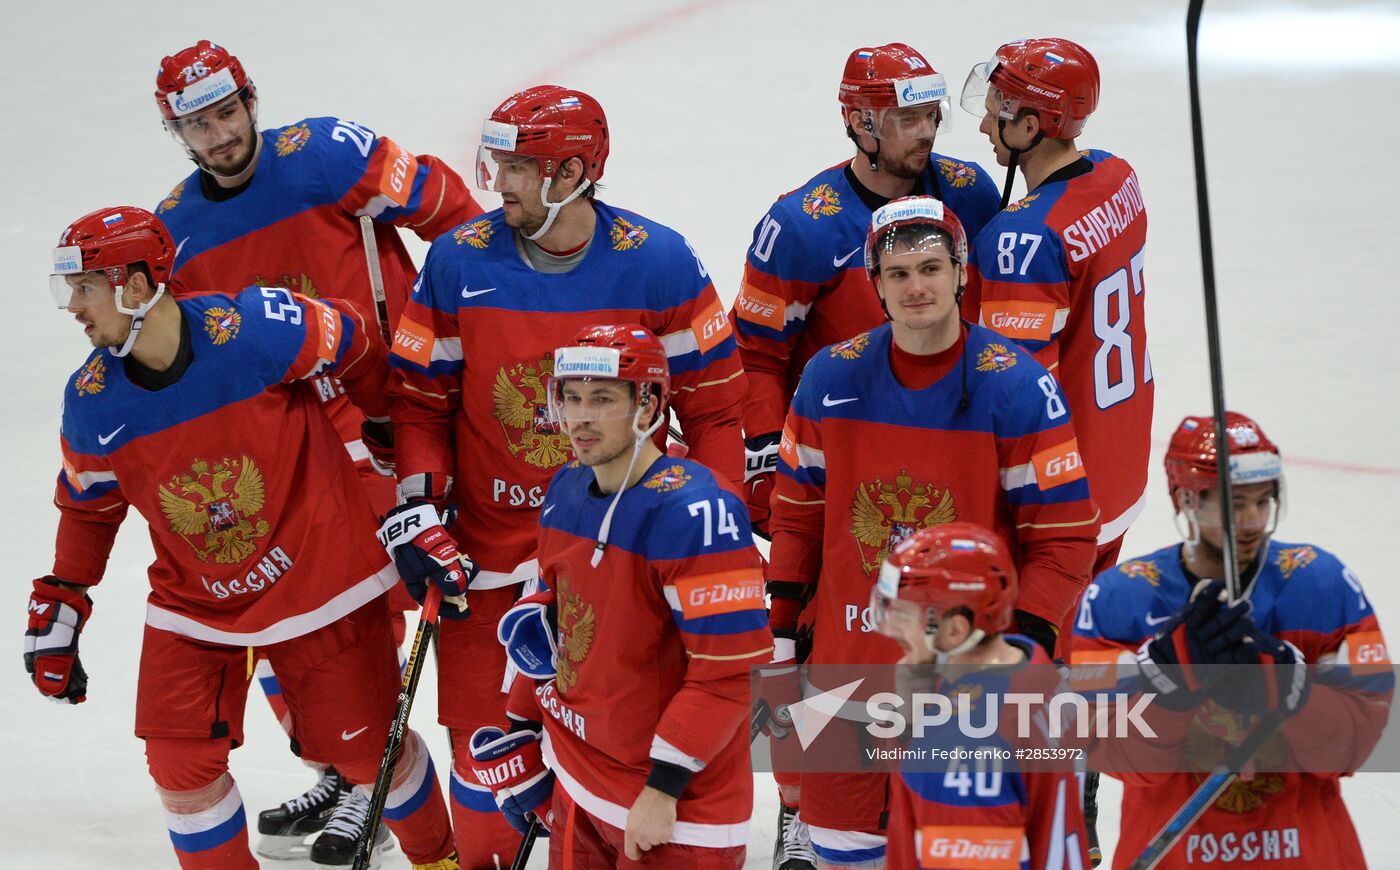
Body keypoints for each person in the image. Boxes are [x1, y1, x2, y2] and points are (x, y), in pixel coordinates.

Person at [26, 206, 457, 869]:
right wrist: (64, 594)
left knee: (368, 751)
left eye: (84, 287)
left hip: (320, 576)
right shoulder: (92, 398)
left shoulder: (259, 327)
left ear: (137, 286)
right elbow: (90, 504)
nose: (73, 308)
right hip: (194, 602)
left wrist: (387, 434)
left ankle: (439, 860)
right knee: (179, 765)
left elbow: (360, 343)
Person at [384, 85, 747, 866]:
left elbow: (716, 413)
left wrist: (726, 528)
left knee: (620, 765)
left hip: (621, 550)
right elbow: (419, 403)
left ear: (576, 171)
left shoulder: (659, 261)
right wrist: (418, 505)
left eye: (519, 166)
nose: (498, 182)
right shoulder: (457, 261)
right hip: (483, 554)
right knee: (489, 778)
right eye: (501, 163)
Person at [150, 39, 483, 860]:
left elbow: (464, 225)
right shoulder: (175, 235)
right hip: (298, 446)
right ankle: (351, 766)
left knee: (420, 598)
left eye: (228, 112)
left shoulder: (329, 154)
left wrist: (465, 338)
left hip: (403, 409)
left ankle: (389, 762)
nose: (220, 134)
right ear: (175, 131)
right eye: (198, 124)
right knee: (288, 606)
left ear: (251, 100)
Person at [763, 195, 1099, 868]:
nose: (916, 286)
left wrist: (1016, 653)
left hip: (965, 699)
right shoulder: (828, 379)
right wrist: (779, 643)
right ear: (875, 283)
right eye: (898, 272)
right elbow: (797, 520)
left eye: (931, 268)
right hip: (846, 684)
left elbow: (1064, 539)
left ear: (961, 273)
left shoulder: (1020, 389)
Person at [461, 324, 771, 867]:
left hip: (673, 813)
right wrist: (524, 726)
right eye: (571, 397)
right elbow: (552, 628)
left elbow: (729, 672)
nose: (580, 417)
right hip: (578, 785)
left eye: (602, 399)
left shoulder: (699, 513)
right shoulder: (565, 489)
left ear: (648, 405)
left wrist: (663, 789)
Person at [1070, 412, 1393, 868]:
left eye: (1263, 501)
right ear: (1186, 499)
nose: (1253, 520)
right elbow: (1112, 753)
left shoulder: (1323, 586)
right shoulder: (1120, 600)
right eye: (1234, 504)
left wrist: (1290, 686)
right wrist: (1165, 686)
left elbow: (1362, 742)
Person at [733, 42, 1000, 540]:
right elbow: (756, 353)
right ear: (859, 122)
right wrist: (768, 453)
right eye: (906, 119)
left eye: (930, 115)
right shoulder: (800, 225)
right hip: (850, 451)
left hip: (954, 438)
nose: (925, 132)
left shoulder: (971, 191)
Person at [959, 37, 1151, 582]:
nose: (983, 126)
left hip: (1063, 494)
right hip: (1121, 459)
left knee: (1037, 658)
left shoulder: (1020, 238)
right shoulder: (1120, 177)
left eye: (997, 112)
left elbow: (1016, 391)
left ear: (1030, 126)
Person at [872, 522, 1091, 869]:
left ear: (956, 629)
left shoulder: (962, 749)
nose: (892, 628)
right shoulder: (1029, 661)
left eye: (903, 614)